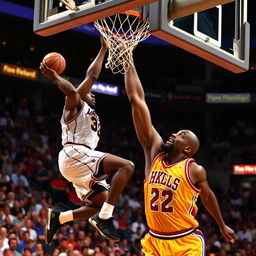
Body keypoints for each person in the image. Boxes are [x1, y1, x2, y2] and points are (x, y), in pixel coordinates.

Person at [124, 51, 236, 255]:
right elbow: (136, 99)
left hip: (185, 241)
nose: (174, 134)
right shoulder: (154, 153)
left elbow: (208, 196)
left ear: (187, 149)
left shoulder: (194, 170)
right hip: (154, 240)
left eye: (181, 135)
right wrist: (127, 56)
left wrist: (221, 225)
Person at [39, 36, 134, 244]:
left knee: (100, 203)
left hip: (80, 160)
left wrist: (104, 49)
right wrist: (54, 75)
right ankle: (104, 219)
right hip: (75, 155)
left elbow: (89, 80)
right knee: (126, 166)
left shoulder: (89, 112)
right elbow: (84, 82)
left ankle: (60, 217)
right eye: (89, 92)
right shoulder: (74, 106)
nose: (92, 94)